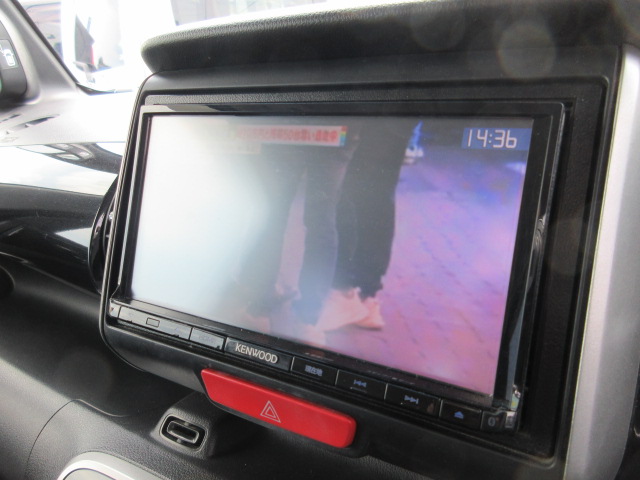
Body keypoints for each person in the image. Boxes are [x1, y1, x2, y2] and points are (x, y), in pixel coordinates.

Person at [316, 117, 418, 332]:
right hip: (397, 114)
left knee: (354, 194)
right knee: (378, 196)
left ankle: (346, 292)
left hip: (378, 115)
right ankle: (366, 296)